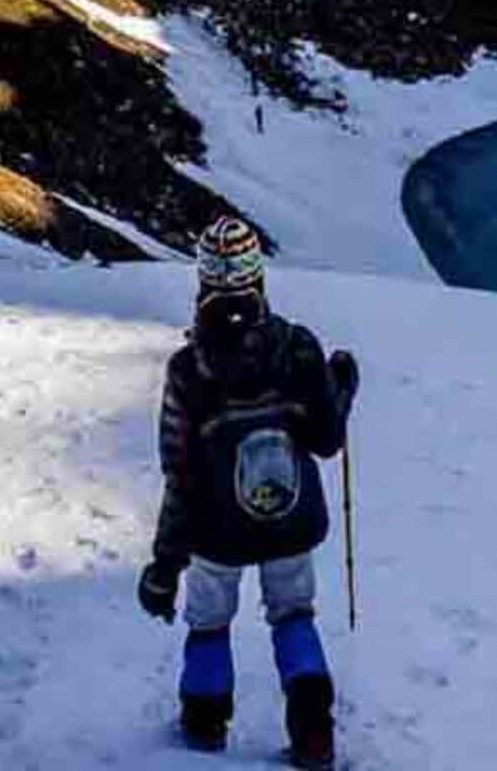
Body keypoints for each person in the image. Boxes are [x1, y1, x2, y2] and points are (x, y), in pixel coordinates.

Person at [138, 216, 359, 767]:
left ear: (203, 280)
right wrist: (341, 388)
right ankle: (314, 736)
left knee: (209, 621)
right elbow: (327, 439)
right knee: (293, 614)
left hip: (217, 531)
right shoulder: (297, 348)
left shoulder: (189, 370)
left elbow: (180, 474)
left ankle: (203, 728)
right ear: (257, 274)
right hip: (291, 516)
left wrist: (165, 566)